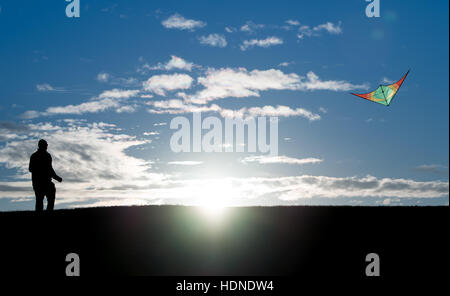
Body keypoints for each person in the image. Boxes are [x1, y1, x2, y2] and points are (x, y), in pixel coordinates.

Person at [29, 139, 63, 211]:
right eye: (45, 145)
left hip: (47, 182)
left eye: (46, 145)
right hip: (38, 183)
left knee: (50, 199)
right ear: (40, 145)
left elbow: (50, 169)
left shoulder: (47, 155)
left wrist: (56, 178)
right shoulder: (35, 156)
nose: (46, 146)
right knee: (39, 200)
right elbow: (31, 169)